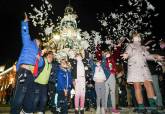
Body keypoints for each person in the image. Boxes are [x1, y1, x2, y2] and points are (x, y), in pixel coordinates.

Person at [121, 31, 164, 114]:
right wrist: (126, 54)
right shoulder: (130, 45)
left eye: (138, 36)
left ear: (140, 38)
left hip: (144, 69)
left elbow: (148, 56)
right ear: (132, 38)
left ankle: (153, 107)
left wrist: (156, 56)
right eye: (135, 36)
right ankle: (141, 107)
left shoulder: (143, 47)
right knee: (137, 87)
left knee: (149, 86)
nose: (137, 37)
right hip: (134, 68)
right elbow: (128, 52)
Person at [10, 13, 44, 114]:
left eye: (40, 43)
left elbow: (41, 64)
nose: (38, 42)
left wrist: (40, 58)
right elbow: (25, 33)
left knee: (30, 97)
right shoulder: (28, 42)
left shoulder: (39, 52)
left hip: (32, 75)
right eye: (38, 41)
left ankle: (26, 111)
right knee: (20, 95)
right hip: (24, 70)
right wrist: (25, 23)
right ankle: (15, 111)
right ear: (35, 40)